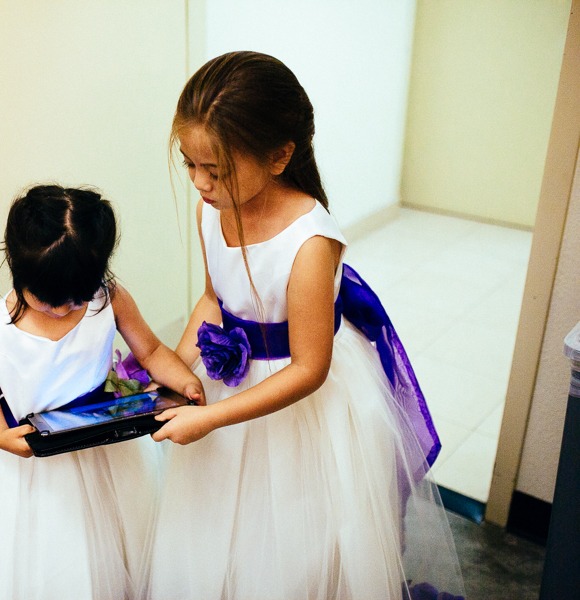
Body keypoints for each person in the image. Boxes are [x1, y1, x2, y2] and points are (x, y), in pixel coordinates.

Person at [144, 51, 465, 600]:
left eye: (215, 171)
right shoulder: (211, 210)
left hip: (297, 404)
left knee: (290, 546)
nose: (199, 183)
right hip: (229, 389)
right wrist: (174, 372)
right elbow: (213, 300)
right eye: (188, 164)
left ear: (279, 156)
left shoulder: (310, 241)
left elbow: (310, 369)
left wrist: (212, 418)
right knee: (216, 524)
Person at [0, 184, 204, 600]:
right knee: (43, 563)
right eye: (47, 300)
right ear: (18, 270)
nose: (61, 310)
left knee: (117, 545)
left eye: (75, 300)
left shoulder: (109, 299)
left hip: (100, 447)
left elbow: (150, 351)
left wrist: (183, 379)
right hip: (28, 461)